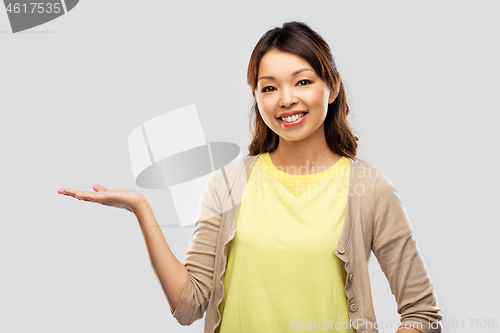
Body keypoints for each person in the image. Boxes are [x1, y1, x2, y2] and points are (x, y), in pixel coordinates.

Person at [58, 22, 442, 333]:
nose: (286, 99)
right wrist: (142, 209)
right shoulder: (228, 183)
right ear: (256, 97)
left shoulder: (369, 189)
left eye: (303, 81)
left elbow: (421, 315)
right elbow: (190, 306)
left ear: (333, 86)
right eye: (269, 87)